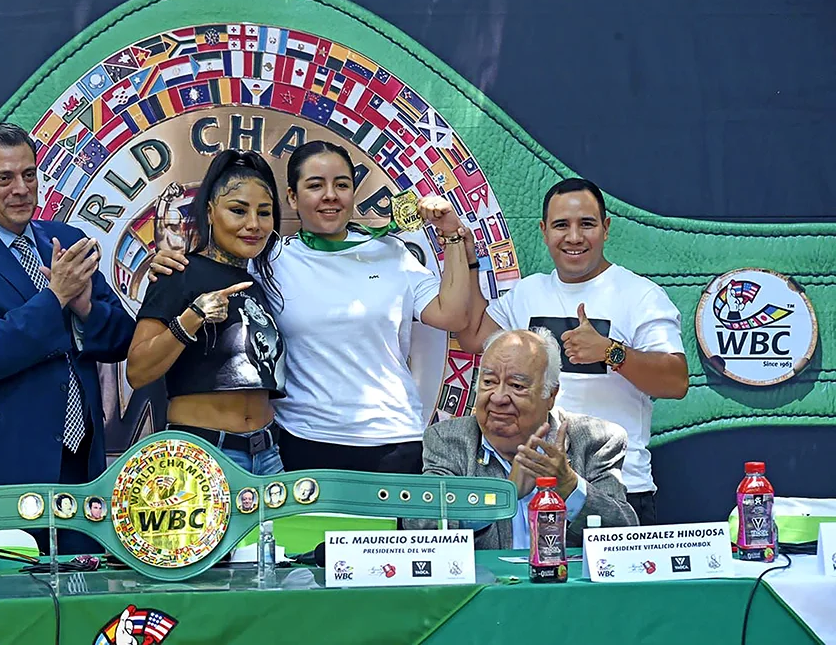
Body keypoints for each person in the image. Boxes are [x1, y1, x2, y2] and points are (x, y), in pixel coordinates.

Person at [150, 141, 472, 475]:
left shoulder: (393, 253)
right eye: (315, 185)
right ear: (291, 198)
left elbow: (454, 315)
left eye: (342, 185)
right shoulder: (268, 258)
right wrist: (172, 266)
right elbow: (215, 263)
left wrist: (451, 236)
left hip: (395, 440)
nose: (330, 195)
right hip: (304, 443)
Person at [0, 123, 134, 550]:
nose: (22, 189)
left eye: (29, 175)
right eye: (4, 178)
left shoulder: (65, 242)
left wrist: (84, 307)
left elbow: (122, 338)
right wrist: (56, 297)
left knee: (80, 602)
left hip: (76, 470)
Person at [456, 178, 687, 525]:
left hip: (617, 487)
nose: (574, 237)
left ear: (606, 229)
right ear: (544, 230)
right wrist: (467, 257)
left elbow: (675, 381)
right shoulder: (527, 292)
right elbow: (473, 335)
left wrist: (611, 352)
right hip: (536, 487)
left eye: (587, 224)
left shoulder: (640, 295)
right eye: (562, 225)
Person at [127, 150, 286, 475]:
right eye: (238, 210)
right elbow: (137, 371)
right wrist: (192, 317)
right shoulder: (179, 272)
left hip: (268, 454)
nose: (253, 224)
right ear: (211, 212)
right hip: (201, 456)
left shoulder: (262, 281)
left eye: (264, 212)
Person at [406, 328, 638, 548]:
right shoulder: (447, 440)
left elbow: (624, 536)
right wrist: (502, 496)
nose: (498, 397)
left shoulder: (594, 441)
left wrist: (569, 486)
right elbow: (421, 527)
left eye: (516, 386)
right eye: (488, 382)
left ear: (551, 395)